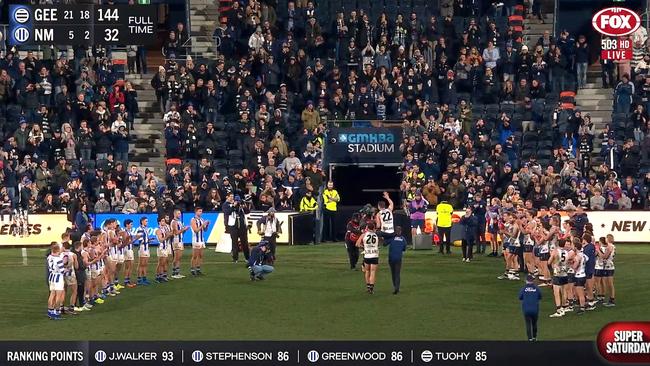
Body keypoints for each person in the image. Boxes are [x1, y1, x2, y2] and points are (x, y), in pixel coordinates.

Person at [224, 193, 250, 263]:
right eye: (231, 197)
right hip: (233, 226)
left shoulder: (241, 205)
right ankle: (235, 258)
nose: (232, 198)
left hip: (242, 225)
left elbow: (247, 211)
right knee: (234, 242)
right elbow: (227, 212)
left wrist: (243, 206)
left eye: (233, 197)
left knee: (244, 242)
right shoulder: (226, 205)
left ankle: (247, 257)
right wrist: (233, 206)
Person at [356, 222, 379, 294]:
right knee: (373, 272)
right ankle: (371, 288)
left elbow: (357, 244)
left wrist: (364, 247)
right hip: (374, 255)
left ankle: (368, 286)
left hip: (367, 255)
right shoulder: (376, 235)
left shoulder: (364, 235)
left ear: (367, 228)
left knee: (367, 271)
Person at [548, 238, 569, 317]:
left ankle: (558, 310)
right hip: (565, 272)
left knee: (556, 292)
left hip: (557, 272)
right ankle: (563, 308)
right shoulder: (566, 252)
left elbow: (549, 262)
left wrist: (553, 262)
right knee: (564, 291)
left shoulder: (555, 251)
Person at [383, 226, 407, 294]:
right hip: (398, 258)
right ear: (401, 231)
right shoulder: (403, 239)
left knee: (393, 273)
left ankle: (395, 286)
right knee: (397, 273)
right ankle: (397, 288)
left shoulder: (392, 238)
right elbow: (404, 249)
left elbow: (384, 244)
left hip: (391, 258)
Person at [519, 275, 542, 341]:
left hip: (526, 309)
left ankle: (529, 338)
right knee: (534, 324)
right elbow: (540, 297)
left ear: (526, 280)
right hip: (535, 309)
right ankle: (534, 337)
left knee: (528, 324)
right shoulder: (537, 288)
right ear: (533, 280)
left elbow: (520, 297)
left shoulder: (524, 288)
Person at [596, 235, 616, 307]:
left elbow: (604, 256)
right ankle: (611, 299)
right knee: (609, 284)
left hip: (608, 266)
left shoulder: (609, 246)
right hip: (609, 265)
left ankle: (612, 299)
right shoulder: (613, 246)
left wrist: (598, 250)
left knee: (610, 284)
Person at [46, 242, 65, 319]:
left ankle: (50, 311)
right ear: (58, 250)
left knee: (52, 294)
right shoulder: (58, 259)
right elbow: (62, 270)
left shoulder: (49, 257)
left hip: (51, 276)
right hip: (58, 277)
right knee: (58, 296)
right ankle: (57, 312)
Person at [190, 207, 209, 276]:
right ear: (196, 212)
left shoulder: (202, 219)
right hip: (196, 240)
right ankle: (192, 269)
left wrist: (207, 225)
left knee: (200, 255)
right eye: (199, 211)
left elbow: (205, 230)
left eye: (201, 211)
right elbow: (195, 230)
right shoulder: (193, 220)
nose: (201, 212)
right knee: (195, 256)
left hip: (201, 240)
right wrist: (203, 225)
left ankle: (198, 269)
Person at [171, 209, 189, 278]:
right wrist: (184, 229)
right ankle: (174, 273)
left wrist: (184, 230)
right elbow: (176, 233)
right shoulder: (174, 222)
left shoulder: (179, 222)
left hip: (180, 240)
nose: (180, 215)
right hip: (176, 241)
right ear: (175, 214)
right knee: (176, 257)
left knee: (179, 257)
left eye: (180, 213)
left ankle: (177, 272)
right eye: (178, 213)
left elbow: (181, 232)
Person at [155, 216, 171, 283]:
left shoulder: (164, 229)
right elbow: (161, 240)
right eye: (162, 221)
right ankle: (158, 277)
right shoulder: (158, 230)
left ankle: (161, 276)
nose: (164, 222)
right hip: (161, 248)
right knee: (161, 263)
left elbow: (165, 238)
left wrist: (168, 235)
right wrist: (167, 236)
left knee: (164, 263)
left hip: (165, 247)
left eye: (164, 221)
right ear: (159, 222)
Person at [121, 219, 136, 287]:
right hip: (127, 250)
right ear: (127, 225)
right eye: (131, 224)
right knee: (128, 266)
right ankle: (126, 281)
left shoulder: (129, 231)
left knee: (131, 265)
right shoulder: (124, 232)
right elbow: (125, 242)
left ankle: (128, 280)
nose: (132, 225)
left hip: (130, 249)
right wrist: (135, 239)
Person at [136, 217, 151, 286]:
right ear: (142, 222)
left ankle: (144, 278)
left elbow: (145, 238)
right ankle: (139, 279)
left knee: (145, 264)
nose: (147, 222)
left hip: (146, 247)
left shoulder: (146, 229)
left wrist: (149, 240)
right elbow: (139, 239)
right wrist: (146, 241)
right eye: (146, 221)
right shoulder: (140, 229)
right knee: (141, 264)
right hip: (142, 248)